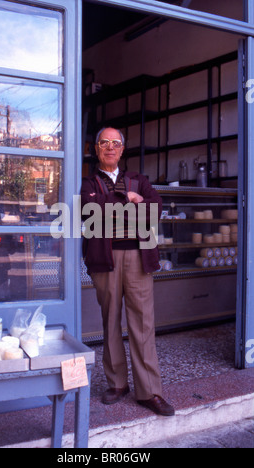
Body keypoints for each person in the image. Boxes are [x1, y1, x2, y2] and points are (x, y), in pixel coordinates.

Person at [81, 127, 175, 417]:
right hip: (105, 260)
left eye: (115, 143)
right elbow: (90, 213)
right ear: (96, 148)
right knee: (110, 322)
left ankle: (150, 391)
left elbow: (156, 209)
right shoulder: (87, 184)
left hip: (138, 258)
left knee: (143, 323)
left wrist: (137, 202)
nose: (110, 147)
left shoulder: (140, 180)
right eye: (104, 143)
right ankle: (117, 384)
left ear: (123, 149)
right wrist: (131, 203)